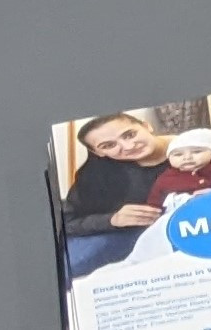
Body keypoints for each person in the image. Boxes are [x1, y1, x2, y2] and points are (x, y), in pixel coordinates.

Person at [58, 114, 174, 280]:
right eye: (109, 145)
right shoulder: (95, 173)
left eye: (130, 134)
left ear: (147, 126)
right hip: (126, 236)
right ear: (96, 152)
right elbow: (66, 223)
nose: (127, 146)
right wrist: (112, 219)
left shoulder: (207, 145)